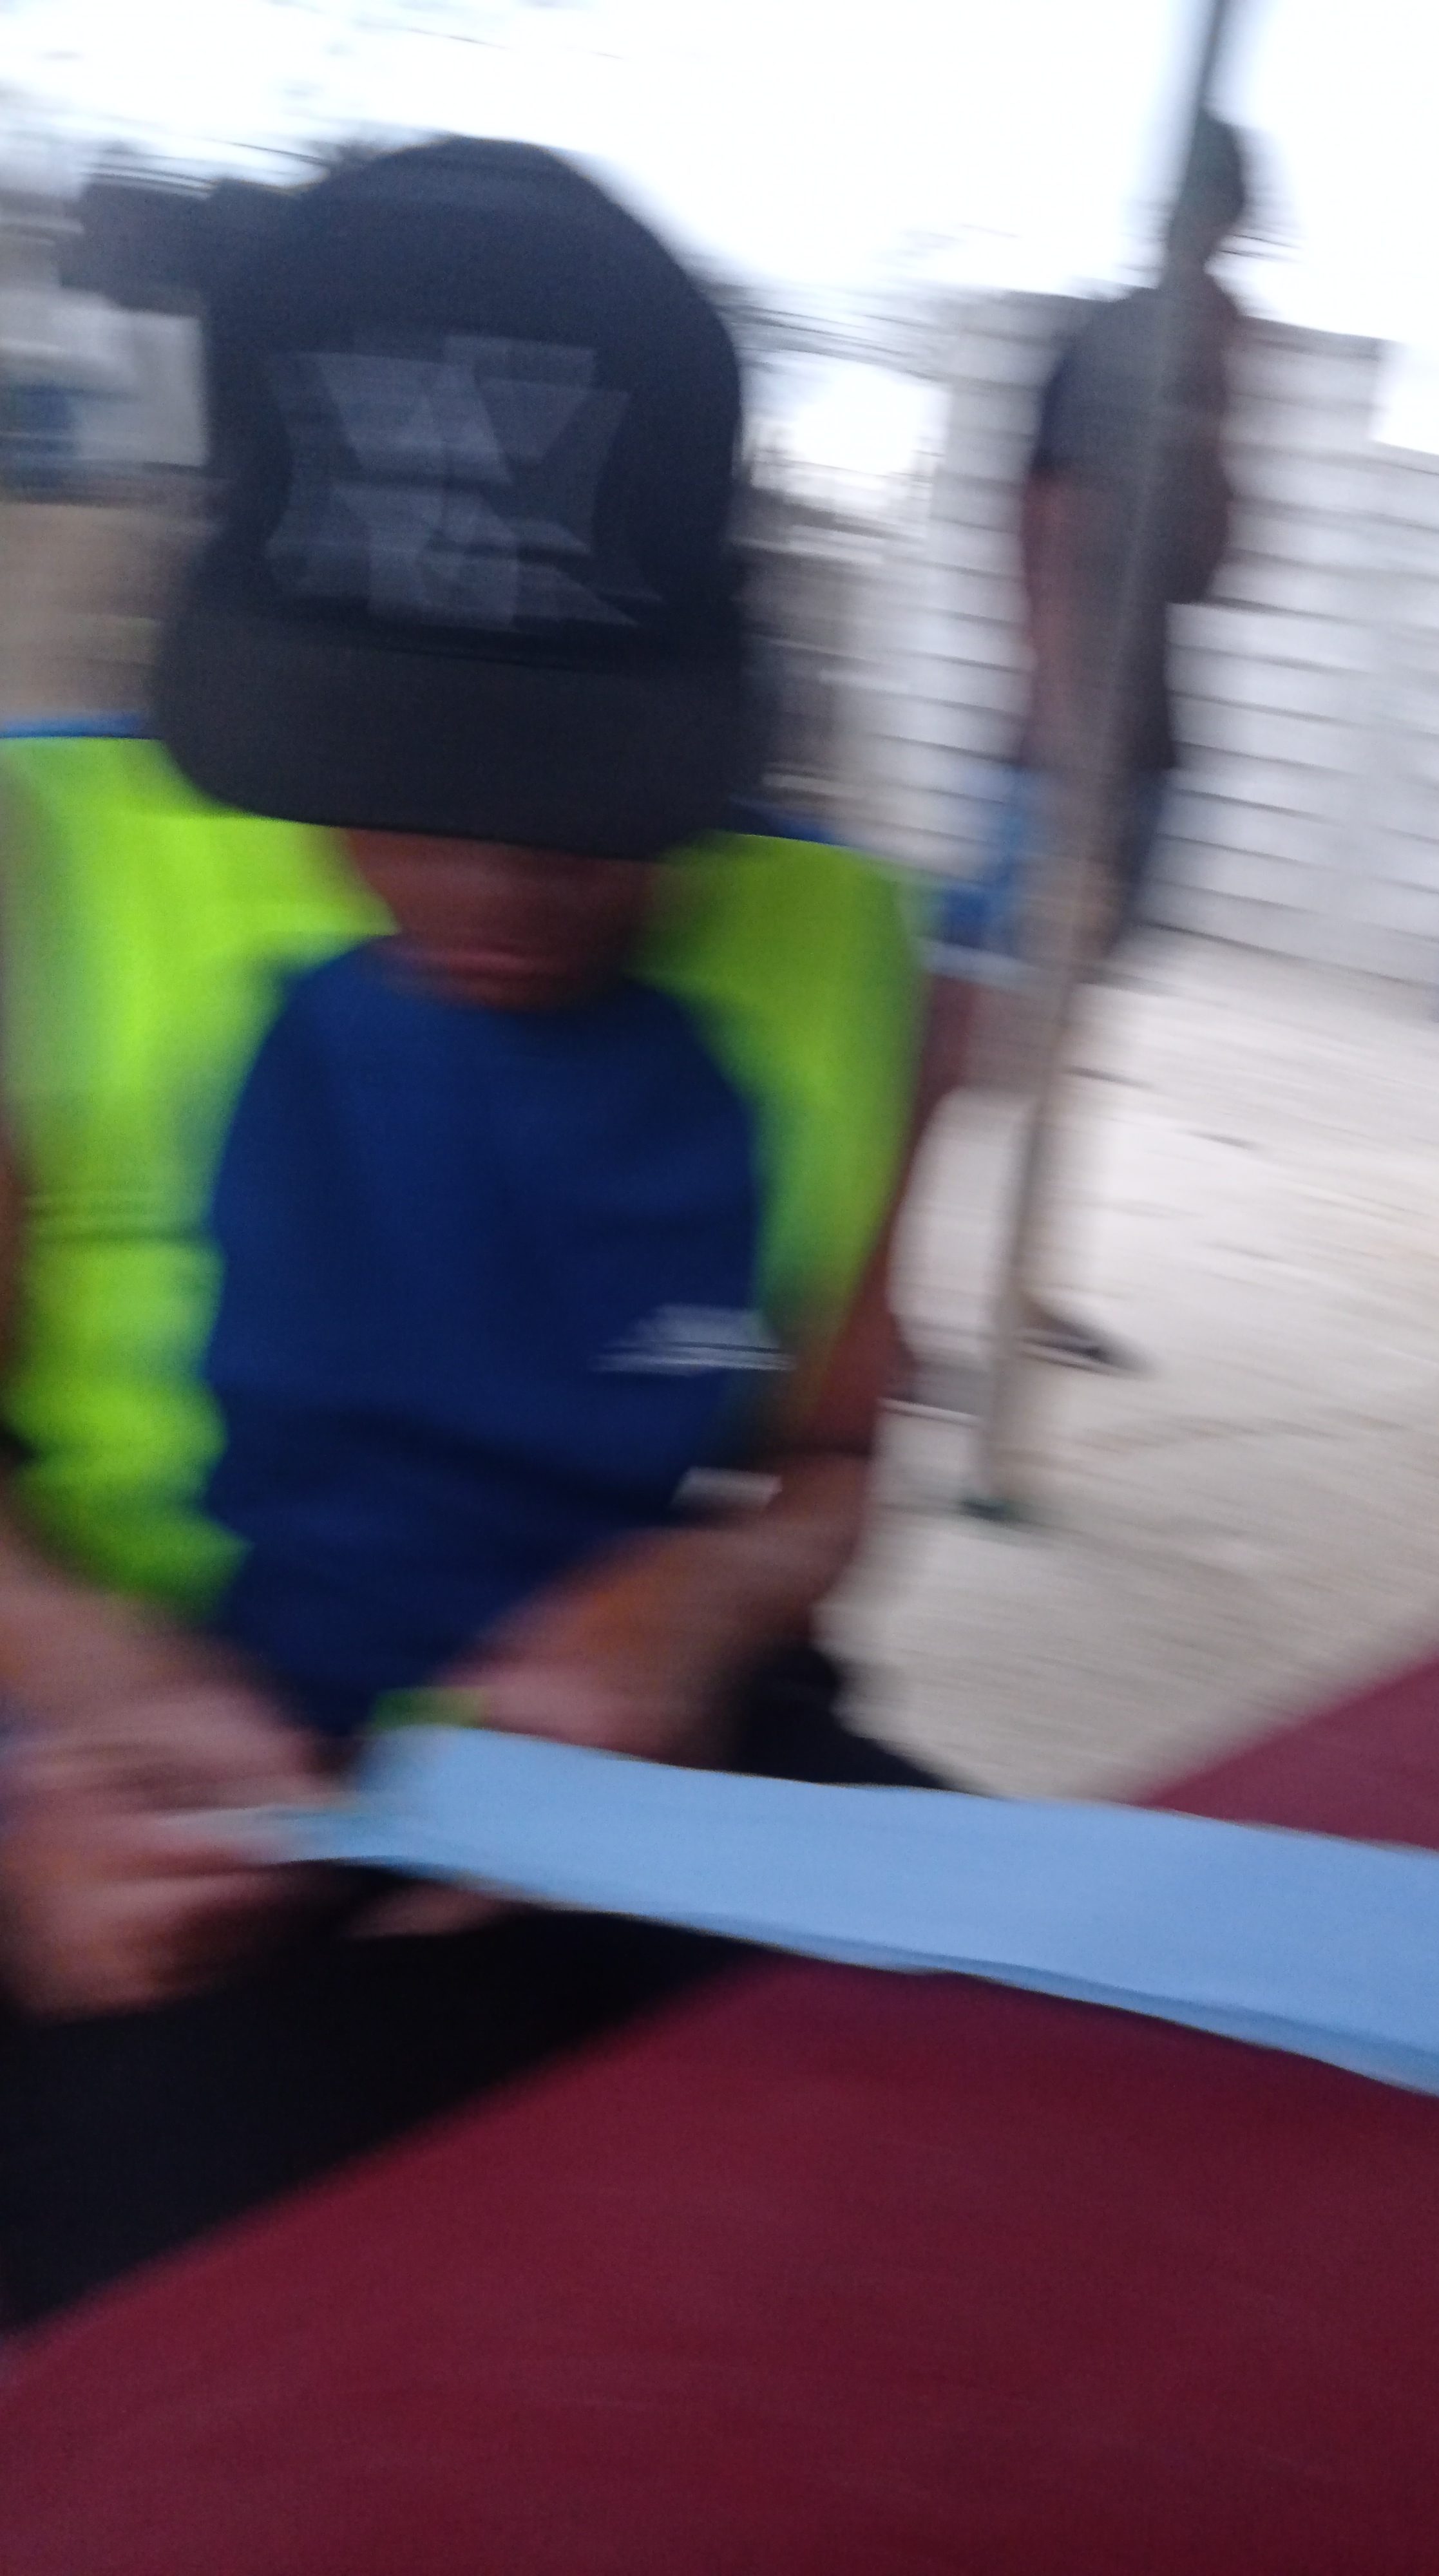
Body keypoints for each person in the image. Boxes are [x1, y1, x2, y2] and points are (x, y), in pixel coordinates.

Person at [0, 139, 939, 2327]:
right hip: (134, 1786)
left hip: (623, 1770)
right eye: (395, 782)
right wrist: (59, 1711)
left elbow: (827, 1459)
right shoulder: (41, 868)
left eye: (581, 812)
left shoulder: (844, 956)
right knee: (211, 2325)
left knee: (953, 2179)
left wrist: (695, 1608)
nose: (496, 886)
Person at [937, 115, 1250, 1374]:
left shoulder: (1200, 357)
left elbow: (1216, 567)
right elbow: (1048, 540)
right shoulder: (1119, 343)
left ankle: (1020, 1283)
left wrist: (1218, 432)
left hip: (1143, 747)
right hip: (1071, 758)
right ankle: (868, 1276)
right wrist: (1073, 760)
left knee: (1059, 1035)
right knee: (988, 1032)